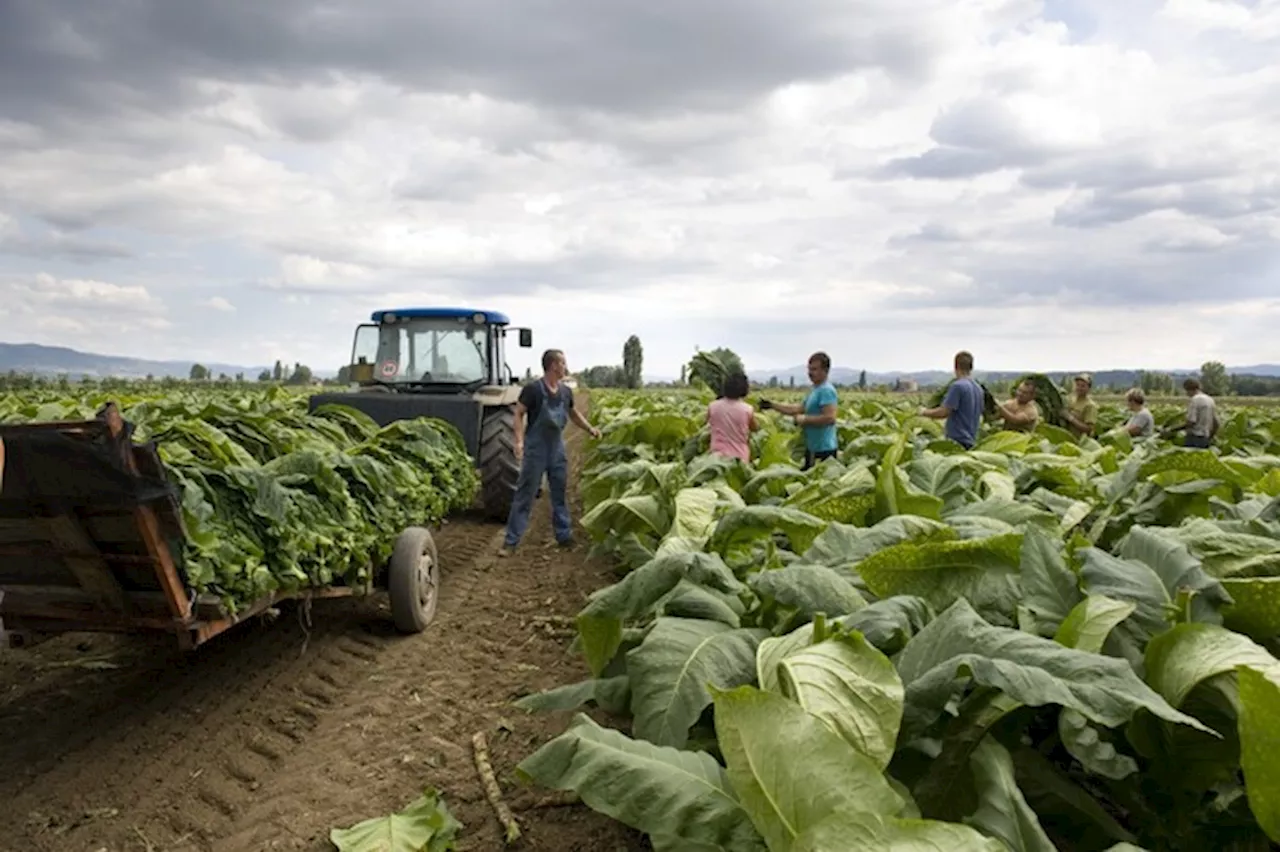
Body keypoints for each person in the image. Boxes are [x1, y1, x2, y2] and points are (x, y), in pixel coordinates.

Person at [499, 349, 601, 556]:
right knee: (525, 495)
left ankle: (564, 537)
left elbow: (573, 413)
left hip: (556, 449)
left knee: (559, 495)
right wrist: (518, 442)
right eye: (563, 363)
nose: (565, 367)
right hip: (536, 450)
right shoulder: (533, 390)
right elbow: (518, 413)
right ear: (554, 365)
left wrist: (590, 429)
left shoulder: (565, 392)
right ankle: (510, 542)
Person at [759, 352, 839, 468]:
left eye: (814, 369)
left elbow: (830, 418)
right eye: (809, 369)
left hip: (824, 449)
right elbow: (797, 409)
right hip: (812, 447)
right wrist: (772, 405)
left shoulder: (826, 390)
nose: (810, 373)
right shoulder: (815, 390)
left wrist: (805, 419)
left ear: (825, 370)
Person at [918, 351, 984, 449]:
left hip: (957, 441)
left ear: (956, 366)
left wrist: (924, 412)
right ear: (971, 367)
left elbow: (944, 412)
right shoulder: (978, 388)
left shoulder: (957, 386)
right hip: (972, 440)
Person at [707, 371, 758, 462]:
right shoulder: (747, 409)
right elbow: (755, 428)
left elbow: (708, 423)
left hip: (716, 458)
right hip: (739, 457)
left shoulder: (713, 406)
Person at [1163, 377, 1219, 448]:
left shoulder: (1195, 400)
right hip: (1205, 438)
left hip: (1194, 438)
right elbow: (1216, 423)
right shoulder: (1210, 400)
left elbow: (1191, 422)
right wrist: (1210, 437)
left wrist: (1172, 429)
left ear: (1188, 389)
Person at [1062, 374, 1098, 438]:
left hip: (1080, 443)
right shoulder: (1072, 400)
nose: (1079, 388)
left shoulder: (1090, 405)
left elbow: (1089, 429)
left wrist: (1071, 419)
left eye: (1083, 386)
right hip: (1068, 439)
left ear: (1089, 388)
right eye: (1078, 385)